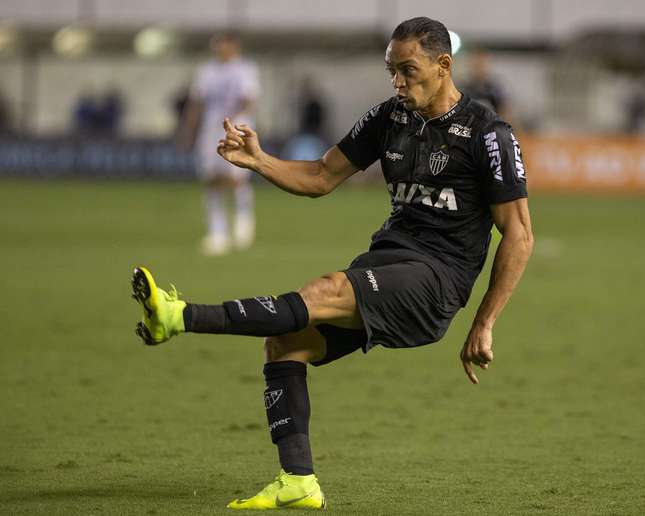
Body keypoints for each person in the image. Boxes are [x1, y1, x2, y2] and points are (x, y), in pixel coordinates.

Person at [131, 17, 533, 510]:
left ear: (443, 64)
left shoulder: (488, 134)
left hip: (436, 281)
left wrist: (485, 322)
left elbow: (519, 232)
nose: (398, 82)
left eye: (408, 70)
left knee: (322, 291)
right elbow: (322, 176)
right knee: (284, 344)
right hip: (388, 260)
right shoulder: (389, 117)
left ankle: (178, 317)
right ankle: (298, 481)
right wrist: (260, 161)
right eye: (392, 71)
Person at [178, 32, 260, 255]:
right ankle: (218, 233)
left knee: (236, 178)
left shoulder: (245, 69)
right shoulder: (207, 71)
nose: (220, 50)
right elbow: (197, 102)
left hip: (237, 129)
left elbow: (249, 99)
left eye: (223, 45)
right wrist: (189, 130)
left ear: (234, 46)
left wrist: (233, 119)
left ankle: (243, 224)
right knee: (211, 180)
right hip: (210, 131)